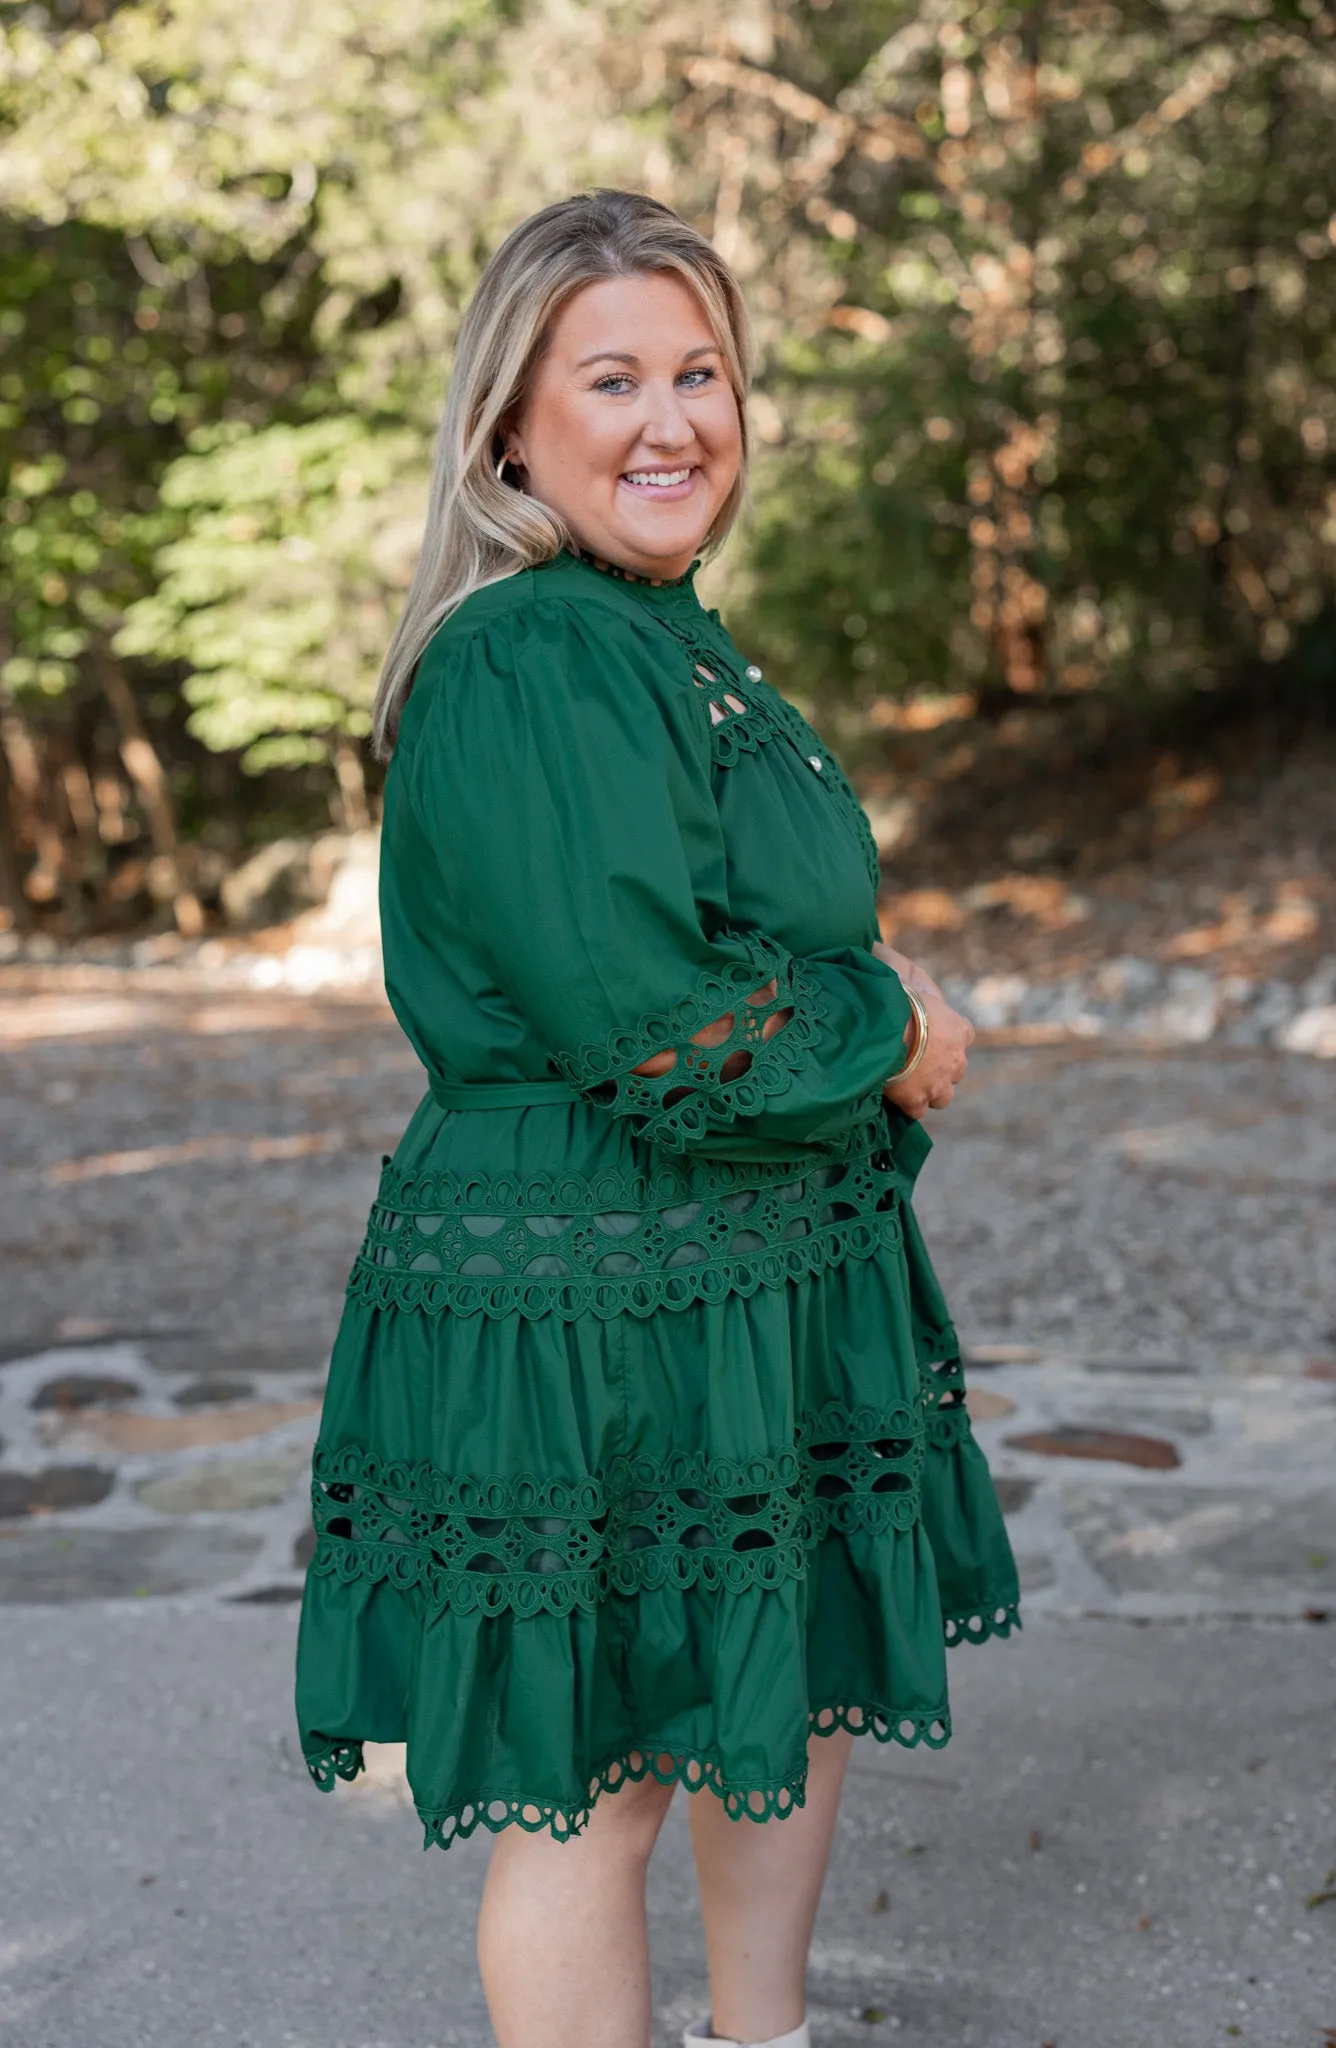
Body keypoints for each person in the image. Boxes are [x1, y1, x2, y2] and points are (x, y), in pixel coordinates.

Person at [294, 188, 1019, 2048]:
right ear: (507, 426)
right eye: (612, 376)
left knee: (786, 1695)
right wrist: (893, 1022)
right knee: (607, 1777)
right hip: (593, 1287)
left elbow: (747, 933)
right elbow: (662, 1031)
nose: (672, 418)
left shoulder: (668, 640)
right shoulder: (533, 651)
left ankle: (759, 2038)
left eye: (704, 372)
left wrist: (868, 992)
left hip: (744, 1269)